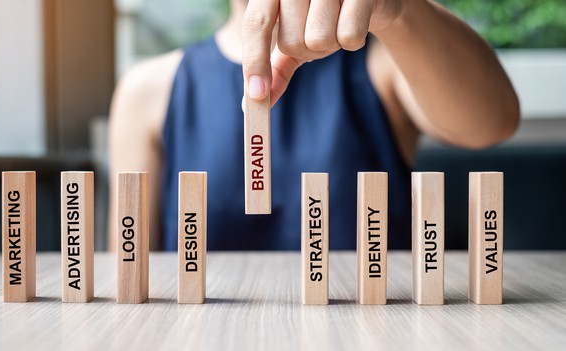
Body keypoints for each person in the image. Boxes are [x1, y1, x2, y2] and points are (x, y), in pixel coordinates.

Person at [108, 0, 519, 251]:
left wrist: (401, 11)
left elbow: (490, 124)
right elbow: (128, 273)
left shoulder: (384, 62)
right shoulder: (149, 89)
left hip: (371, 350)